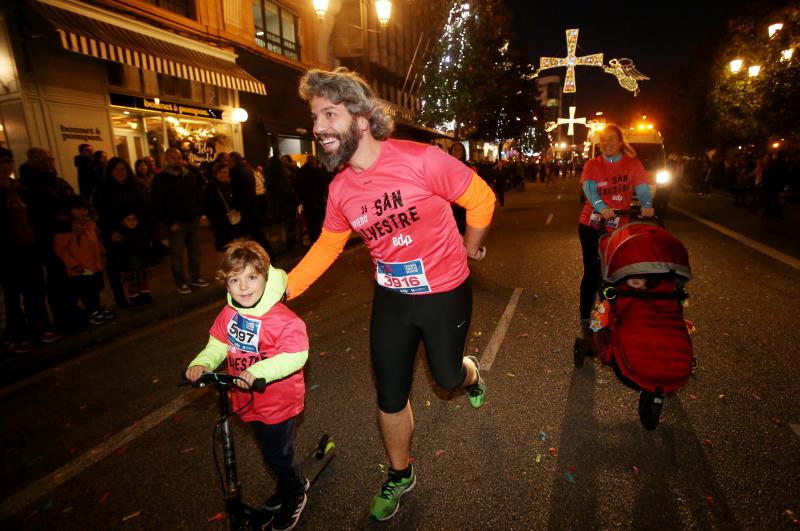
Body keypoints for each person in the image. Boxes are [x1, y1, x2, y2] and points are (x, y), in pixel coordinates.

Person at [290, 67, 495, 521]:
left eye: (329, 114)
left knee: (446, 378)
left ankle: (470, 373)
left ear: (361, 119)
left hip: (445, 292)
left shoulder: (422, 160)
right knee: (390, 394)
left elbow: (480, 199)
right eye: (314, 118)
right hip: (393, 299)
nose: (318, 127)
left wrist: (471, 245)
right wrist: (283, 288)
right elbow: (328, 245)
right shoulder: (341, 188)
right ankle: (400, 473)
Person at [184, 240, 309, 531]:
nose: (243, 287)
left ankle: (295, 492)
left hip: (278, 401)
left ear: (265, 276)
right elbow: (218, 342)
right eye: (234, 279)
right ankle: (287, 483)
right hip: (247, 398)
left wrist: (260, 370)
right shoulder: (230, 314)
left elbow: (296, 353)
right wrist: (203, 362)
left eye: (251, 277)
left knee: (278, 453)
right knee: (270, 452)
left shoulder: (281, 319)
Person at [578, 124, 654, 343]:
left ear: (620, 142)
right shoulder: (593, 164)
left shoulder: (632, 164)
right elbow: (590, 190)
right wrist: (601, 207)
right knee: (592, 270)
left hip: (618, 225)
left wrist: (647, 204)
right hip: (592, 225)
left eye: (611, 139)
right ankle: (585, 317)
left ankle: (614, 310)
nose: (607, 143)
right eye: (603, 140)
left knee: (616, 270)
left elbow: (641, 187)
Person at [18, 147, 83, 334]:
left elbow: (71, 201)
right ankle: (60, 316)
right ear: (35, 161)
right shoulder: (29, 186)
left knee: (67, 275)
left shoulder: (56, 181)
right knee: (55, 277)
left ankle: (70, 309)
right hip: (46, 238)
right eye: (45, 159)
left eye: (50, 158)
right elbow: (40, 215)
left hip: (66, 234)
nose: (49, 162)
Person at [0, 147, 58, 353]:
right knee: (12, 295)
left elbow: (35, 214)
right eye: (2, 163)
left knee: (35, 288)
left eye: (9, 162)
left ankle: (40, 327)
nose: (6, 167)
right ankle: (18, 334)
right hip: (7, 251)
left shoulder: (20, 188)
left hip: (29, 246)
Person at [93, 157, 150, 308]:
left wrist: (136, 219)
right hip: (115, 234)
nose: (120, 172)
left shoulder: (134, 185)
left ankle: (141, 293)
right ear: (110, 171)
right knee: (116, 267)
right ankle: (120, 297)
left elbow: (143, 206)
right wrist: (111, 230)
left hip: (134, 231)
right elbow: (101, 213)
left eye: (123, 169)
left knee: (137, 264)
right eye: (116, 169)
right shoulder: (103, 189)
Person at [151, 148, 208, 295]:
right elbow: (158, 203)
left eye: (178, 157)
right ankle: (181, 282)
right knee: (177, 255)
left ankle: (196, 277)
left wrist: (199, 212)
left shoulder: (188, 174)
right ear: (166, 159)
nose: (176, 161)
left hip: (192, 219)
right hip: (176, 223)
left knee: (195, 252)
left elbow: (198, 191)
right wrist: (169, 222)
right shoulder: (160, 179)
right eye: (172, 158)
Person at [53, 196, 116, 326]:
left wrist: (102, 253)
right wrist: (73, 265)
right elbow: (60, 249)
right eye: (77, 209)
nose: (82, 212)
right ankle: (92, 311)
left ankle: (97, 308)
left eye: (84, 209)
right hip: (80, 266)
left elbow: (96, 241)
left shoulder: (90, 224)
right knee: (86, 290)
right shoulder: (67, 229)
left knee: (95, 288)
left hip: (94, 264)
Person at [204, 161, 244, 252]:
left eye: (226, 172)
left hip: (231, 220)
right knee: (224, 246)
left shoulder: (228, 184)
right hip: (220, 222)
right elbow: (208, 206)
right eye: (222, 172)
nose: (225, 174)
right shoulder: (211, 186)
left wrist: (235, 208)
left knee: (233, 245)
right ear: (216, 173)